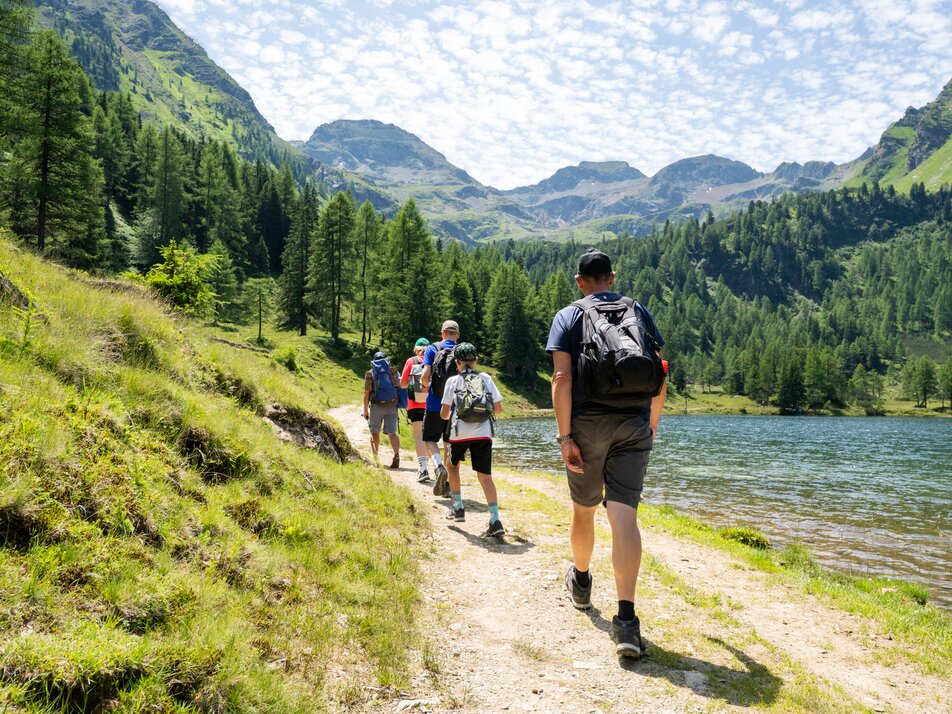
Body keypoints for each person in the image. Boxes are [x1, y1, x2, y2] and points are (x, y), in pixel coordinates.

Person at [546, 249, 667, 658]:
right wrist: (650, 424)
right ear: (611, 277)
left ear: (579, 280)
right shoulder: (639, 310)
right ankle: (628, 621)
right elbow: (659, 370)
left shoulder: (568, 315)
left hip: (588, 425)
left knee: (584, 509)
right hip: (634, 422)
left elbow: (561, 378)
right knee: (624, 516)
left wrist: (566, 437)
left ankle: (581, 582)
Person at [440, 343, 505, 537]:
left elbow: (444, 414)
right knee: (485, 477)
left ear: (457, 363)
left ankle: (458, 508)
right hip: (484, 434)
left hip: (459, 434)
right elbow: (499, 409)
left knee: (453, 467)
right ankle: (495, 519)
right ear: (475, 360)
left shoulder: (453, 381)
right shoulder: (486, 378)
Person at [420, 320, 460, 497]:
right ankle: (448, 484)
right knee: (449, 443)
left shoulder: (432, 349)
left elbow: (425, 375)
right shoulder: (462, 351)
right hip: (456, 407)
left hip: (435, 404)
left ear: (442, 332)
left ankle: (438, 467)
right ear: (457, 335)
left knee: (429, 439)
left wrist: (425, 385)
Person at [362, 351, 402, 468]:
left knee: (375, 431)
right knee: (392, 433)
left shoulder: (370, 373)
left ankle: (375, 458)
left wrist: (365, 409)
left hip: (376, 406)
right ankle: (396, 454)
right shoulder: (393, 371)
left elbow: (366, 392)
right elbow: (399, 388)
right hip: (391, 405)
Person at [401, 337, 432, 483]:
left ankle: (423, 469)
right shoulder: (432, 360)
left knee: (419, 437)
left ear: (416, 349)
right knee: (430, 438)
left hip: (415, 405)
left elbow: (402, 384)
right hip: (431, 405)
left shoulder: (411, 361)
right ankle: (437, 467)